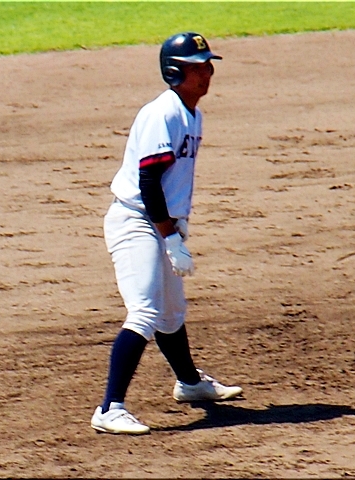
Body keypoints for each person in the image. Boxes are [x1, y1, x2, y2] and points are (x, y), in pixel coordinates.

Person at [91, 32, 243, 435]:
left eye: (208, 65)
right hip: (136, 220)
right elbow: (148, 181)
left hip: (160, 221)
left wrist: (177, 224)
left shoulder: (192, 113)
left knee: (172, 313)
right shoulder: (164, 113)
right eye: (197, 67)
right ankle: (109, 409)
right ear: (175, 72)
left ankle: (190, 383)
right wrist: (170, 236)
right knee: (145, 311)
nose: (206, 73)